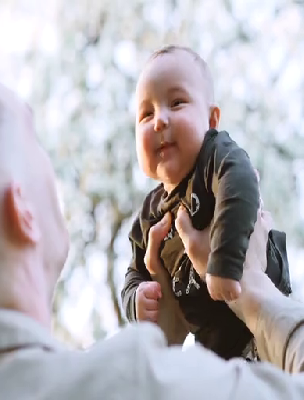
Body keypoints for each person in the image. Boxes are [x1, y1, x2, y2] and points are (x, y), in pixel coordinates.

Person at [0, 57, 304, 400]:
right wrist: (256, 293)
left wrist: (165, 336)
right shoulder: (134, 381)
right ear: (23, 211)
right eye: (35, 142)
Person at [121, 45, 291, 360]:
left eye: (176, 103)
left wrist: (225, 261)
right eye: (146, 114)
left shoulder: (215, 158)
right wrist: (137, 300)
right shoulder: (148, 215)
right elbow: (134, 272)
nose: (159, 121)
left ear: (211, 120)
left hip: (264, 318)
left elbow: (240, 184)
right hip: (214, 349)